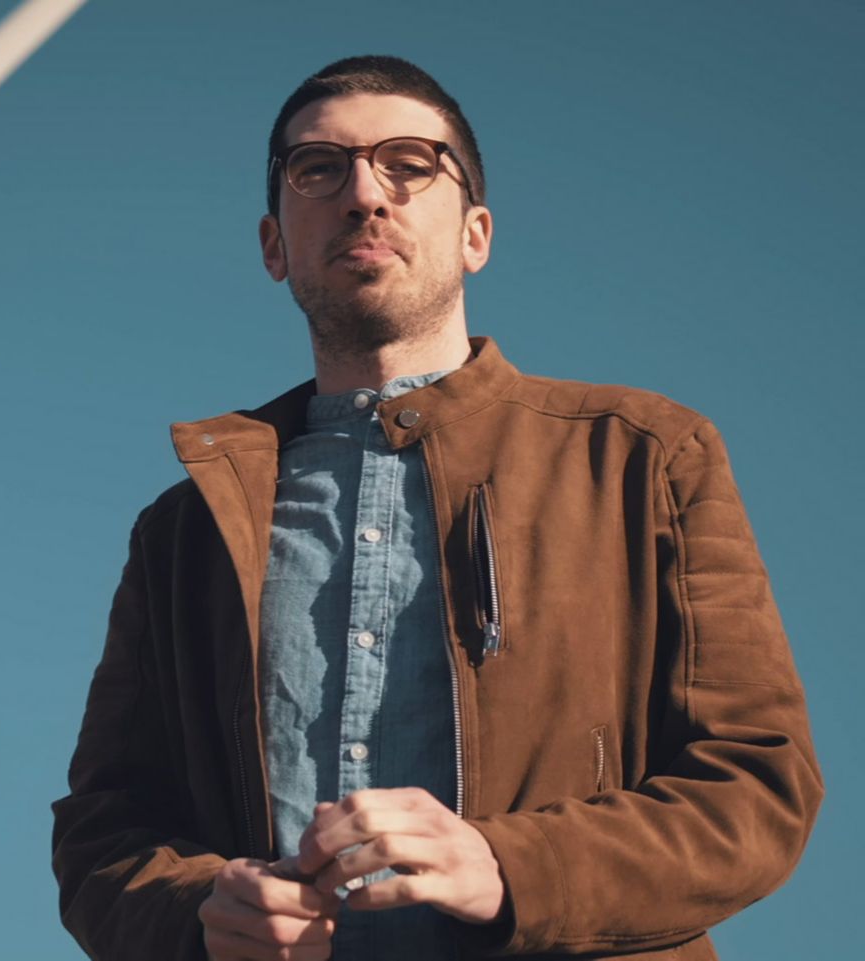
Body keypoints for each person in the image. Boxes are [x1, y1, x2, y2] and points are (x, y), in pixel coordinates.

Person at [50, 56, 822, 961]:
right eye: (318, 169)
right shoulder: (183, 533)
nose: (365, 195)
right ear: (274, 245)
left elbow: (756, 786)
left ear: (475, 232)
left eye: (410, 165)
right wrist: (192, 916)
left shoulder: (644, 456)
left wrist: (507, 866)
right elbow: (104, 834)